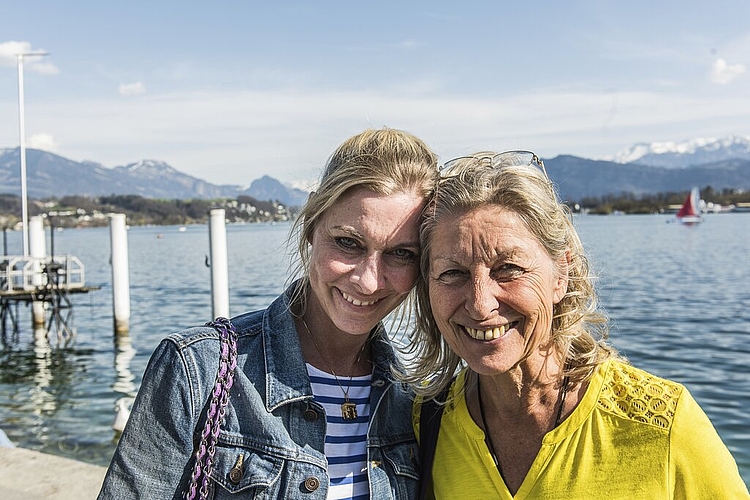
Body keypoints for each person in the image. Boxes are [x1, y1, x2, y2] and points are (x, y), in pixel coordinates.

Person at [98, 128, 438, 500]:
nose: (369, 281)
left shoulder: (415, 399)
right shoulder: (199, 372)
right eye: (348, 243)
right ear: (312, 224)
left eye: (401, 253)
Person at [403, 151, 749, 499]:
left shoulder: (664, 425)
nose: (480, 304)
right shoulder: (427, 425)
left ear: (561, 274)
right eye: (452, 273)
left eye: (508, 268)